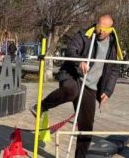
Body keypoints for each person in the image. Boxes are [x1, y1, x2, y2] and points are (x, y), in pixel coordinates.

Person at [34, 14, 123, 158]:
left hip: (90, 87)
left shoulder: (113, 46)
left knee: (86, 128)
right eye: (99, 27)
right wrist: (80, 61)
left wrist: (108, 91)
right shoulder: (84, 35)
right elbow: (71, 50)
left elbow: (114, 69)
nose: (101, 31)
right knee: (71, 90)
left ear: (111, 30)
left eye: (105, 29)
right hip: (73, 76)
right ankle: (42, 106)